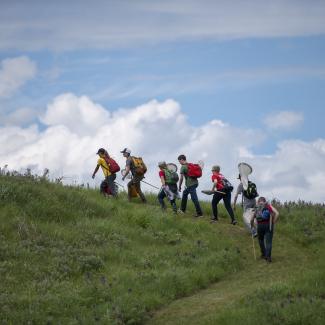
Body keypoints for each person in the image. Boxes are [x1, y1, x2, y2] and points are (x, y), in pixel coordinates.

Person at [250, 197, 279, 263]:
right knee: (268, 242)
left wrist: (253, 226)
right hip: (268, 225)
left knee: (260, 240)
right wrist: (273, 222)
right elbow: (277, 214)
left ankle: (263, 254)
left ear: (258, 201)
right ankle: (268, 257)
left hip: (260, 226)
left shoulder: (257, 207)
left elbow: (251, 219)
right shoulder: (268, 206)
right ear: (265, 201)